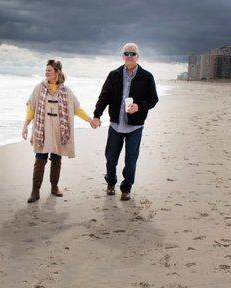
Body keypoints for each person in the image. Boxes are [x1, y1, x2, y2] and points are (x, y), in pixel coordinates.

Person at [22, 59, 98, 203]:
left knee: (56, 159)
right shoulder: (39, 88)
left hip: (59, 132)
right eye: (45, 71)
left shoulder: (66, 91)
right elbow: (31, 108)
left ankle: (54, 187)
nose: (46, 73)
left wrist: (90, 120)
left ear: (57, 72)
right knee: (40, 160)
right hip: (42, 131)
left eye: (49, 70)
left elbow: (77, 109)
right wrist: (25, 125)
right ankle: (35, 191)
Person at [93, 43, 158, 201]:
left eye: (133, 54)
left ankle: (126, 188)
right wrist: (97, 115)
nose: (129, 56)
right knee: (110, 158)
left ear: (138, 57)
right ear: (122, 56)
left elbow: (153, 99)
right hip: (116, 124)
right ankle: (111, 183)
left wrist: (139, 106)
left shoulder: (147, 76)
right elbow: (104, 96)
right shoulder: (114, 74)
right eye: (126, 54)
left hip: (135, 126)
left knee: (130, 161)